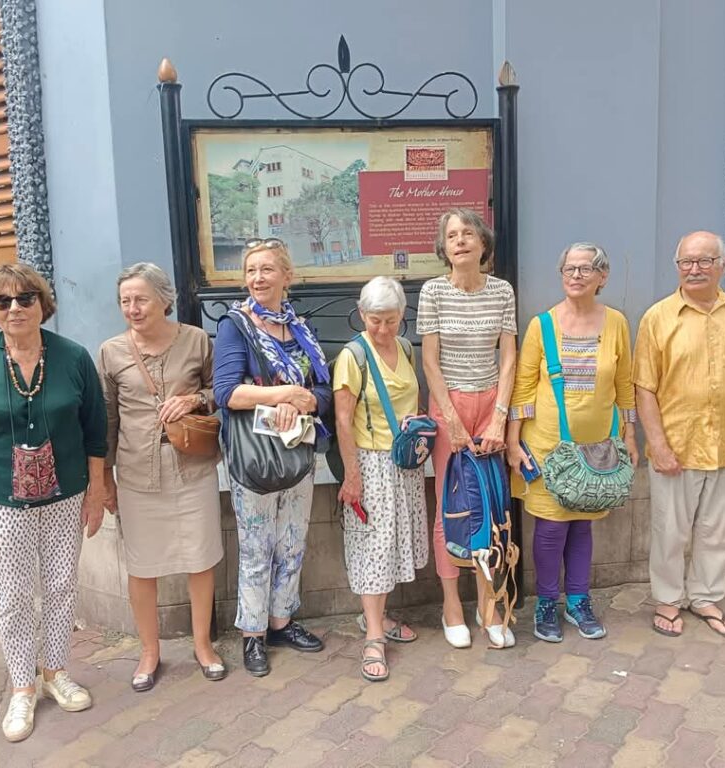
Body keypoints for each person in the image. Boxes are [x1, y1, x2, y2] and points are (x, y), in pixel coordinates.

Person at [0, 264, 108, 742]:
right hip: (0, 503)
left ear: (43, 304)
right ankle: (22, 685)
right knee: (13, 597)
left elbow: (96, 433)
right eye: (2, 301)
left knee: (61, 585)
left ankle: (56, 671)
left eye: (25, 298)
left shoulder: (73, 358)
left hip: (65, 496)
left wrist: (97, 491)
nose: (14, 308)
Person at [634, 231, 725, 640]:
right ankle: (667, 600)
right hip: (677, 445)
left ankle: (706, 597)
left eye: (704, 261)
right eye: (686, 262)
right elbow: (644, 388)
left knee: (716, 531)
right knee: (670, 532)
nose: (694, 269)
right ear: (677, 267)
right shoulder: (658, 317)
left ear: (721, 265)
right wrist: (656, 444)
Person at [99, 263, 226, 688]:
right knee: (142, 565)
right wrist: (105, 479)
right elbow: (108, 419)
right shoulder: (111, 352)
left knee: (200, 558)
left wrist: (194, 400)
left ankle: (203, 644)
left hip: (192, 469)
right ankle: (149, 651)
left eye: (141, 299)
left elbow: (219, 395)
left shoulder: (196, 340)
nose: (133, 309)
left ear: (164, 300)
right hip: (137, 473)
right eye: (125, 301)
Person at [505, 243, 638, 643]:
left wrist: (631, 433)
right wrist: (513, 442)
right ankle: (547, 602)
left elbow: (624, 385)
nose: (576, 275)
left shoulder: (616, 323)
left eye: (585, 268)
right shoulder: (541, 326)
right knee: (550, 528)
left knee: (582, 525)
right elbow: (523, 388)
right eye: (569, 268)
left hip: (599, 447)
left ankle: (578, 601)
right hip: (547, 447)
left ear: (603, 277)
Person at [213, 238, 332, 677]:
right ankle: (253, 634)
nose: (258, 278)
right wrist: (284, 394)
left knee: (292, 542)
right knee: (256, 547)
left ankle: (282, 622)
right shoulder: (236, 326)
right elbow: (227, 392)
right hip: (256, 457)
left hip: (298, 450)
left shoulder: (300, 329)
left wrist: (303, 403)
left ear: (287, 276)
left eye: (267, 270)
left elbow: (322, 389)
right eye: (251, 271)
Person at [417, 207, 518, 649]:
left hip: (491, 402)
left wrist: (500, 416)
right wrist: (452, 421)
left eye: (468, 233)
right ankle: (451, 605)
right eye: (452, 235)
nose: (460, 241)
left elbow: (509, 357)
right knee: (450, 505)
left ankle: (489, 605)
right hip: (449, 405)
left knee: (493, 507)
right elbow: (430, 361)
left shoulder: (501, 292)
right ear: (444, 248)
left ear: (482, 243)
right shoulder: (433, 292)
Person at [333, 276, 428, 682]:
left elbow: (413, 397)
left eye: (390, 320)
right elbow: (342, 419)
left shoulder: (405, 348)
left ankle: (379, 617)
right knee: (374, 546)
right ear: (362, 314)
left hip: (403, 464)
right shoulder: (352, 356)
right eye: (375, 320)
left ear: (402, 315)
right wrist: (352, 475)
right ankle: (373, 634)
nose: (383, 329)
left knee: (390, 545)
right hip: (370, 465)